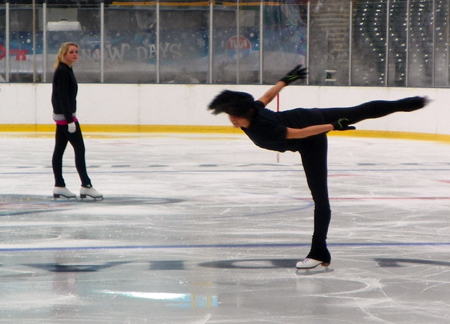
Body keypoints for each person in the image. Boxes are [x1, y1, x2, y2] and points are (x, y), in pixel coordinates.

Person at [207, 65, 428, 270]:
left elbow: (300, 134)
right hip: (309, 116)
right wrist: (285, 80)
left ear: (242, 115)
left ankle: (319, 252)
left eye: (232, 116)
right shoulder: (253, 110)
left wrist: (332, 126)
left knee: (321, 197)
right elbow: (267, 96)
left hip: (310, 136)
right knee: (357, 111)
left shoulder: (263, 128)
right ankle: (408, 103)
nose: (231, 120)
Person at [51, 42, 103, 200]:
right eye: (71, 52)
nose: (75, 54)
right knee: (79, 149)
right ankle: (86, 185)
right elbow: (61, 97)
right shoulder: (62, 71)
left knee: (59, 150)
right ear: (63, 54)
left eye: (76, 52)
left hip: (63, 116)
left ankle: (59, 185)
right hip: (66, 117)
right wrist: (69, 120)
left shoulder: (66, 69)